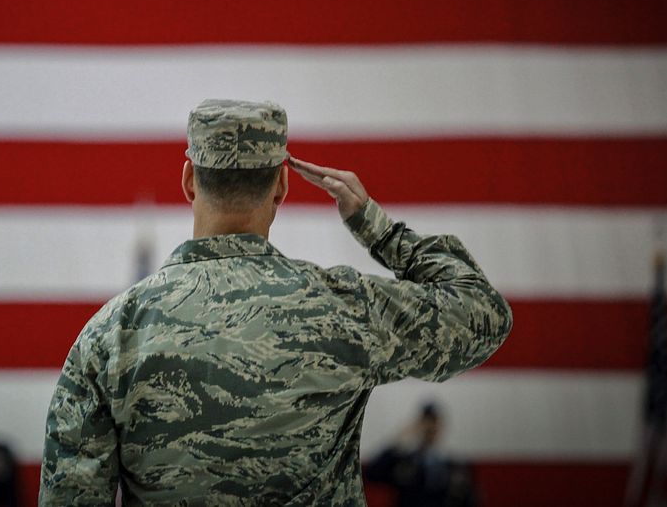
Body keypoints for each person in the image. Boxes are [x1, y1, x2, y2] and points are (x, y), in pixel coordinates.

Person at [40, 99, 512, 505]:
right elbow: (482, 313)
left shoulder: (110, 335)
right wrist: (377, 228)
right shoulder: (342, 307)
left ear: (188, 180)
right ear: (282, 187)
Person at [364, 402, 480, 507]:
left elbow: (470, 500)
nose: (429, 427)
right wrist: (397, 442)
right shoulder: (403, 462)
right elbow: (372, 473)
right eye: (426, 422)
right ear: (418, 425)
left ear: (440, 426)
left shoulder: (455, 466)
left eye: (433, 422)